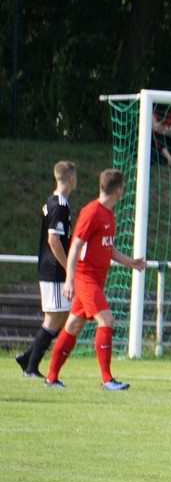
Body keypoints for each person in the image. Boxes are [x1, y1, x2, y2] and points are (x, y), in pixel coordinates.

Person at [44, 169, 146, 390]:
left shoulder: (108, 214)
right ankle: (107, 379)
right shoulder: (91, 212)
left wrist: (131, 262)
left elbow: (107, 248)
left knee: (73, 325)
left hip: (96, 279)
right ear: (118, 190)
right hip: (85, 277)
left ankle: (51, 377)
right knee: (106, 320)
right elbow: (76, 246)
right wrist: (70, 279)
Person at [16, 161, 77, 378]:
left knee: (59, 318)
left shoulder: (54, 202)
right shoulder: (59, 205)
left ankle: (28, 358)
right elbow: (53, 241)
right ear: (70, 179)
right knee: (54, 320)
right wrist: (68, 269)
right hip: (54, 271)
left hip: (51, 270)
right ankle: (31, 367)